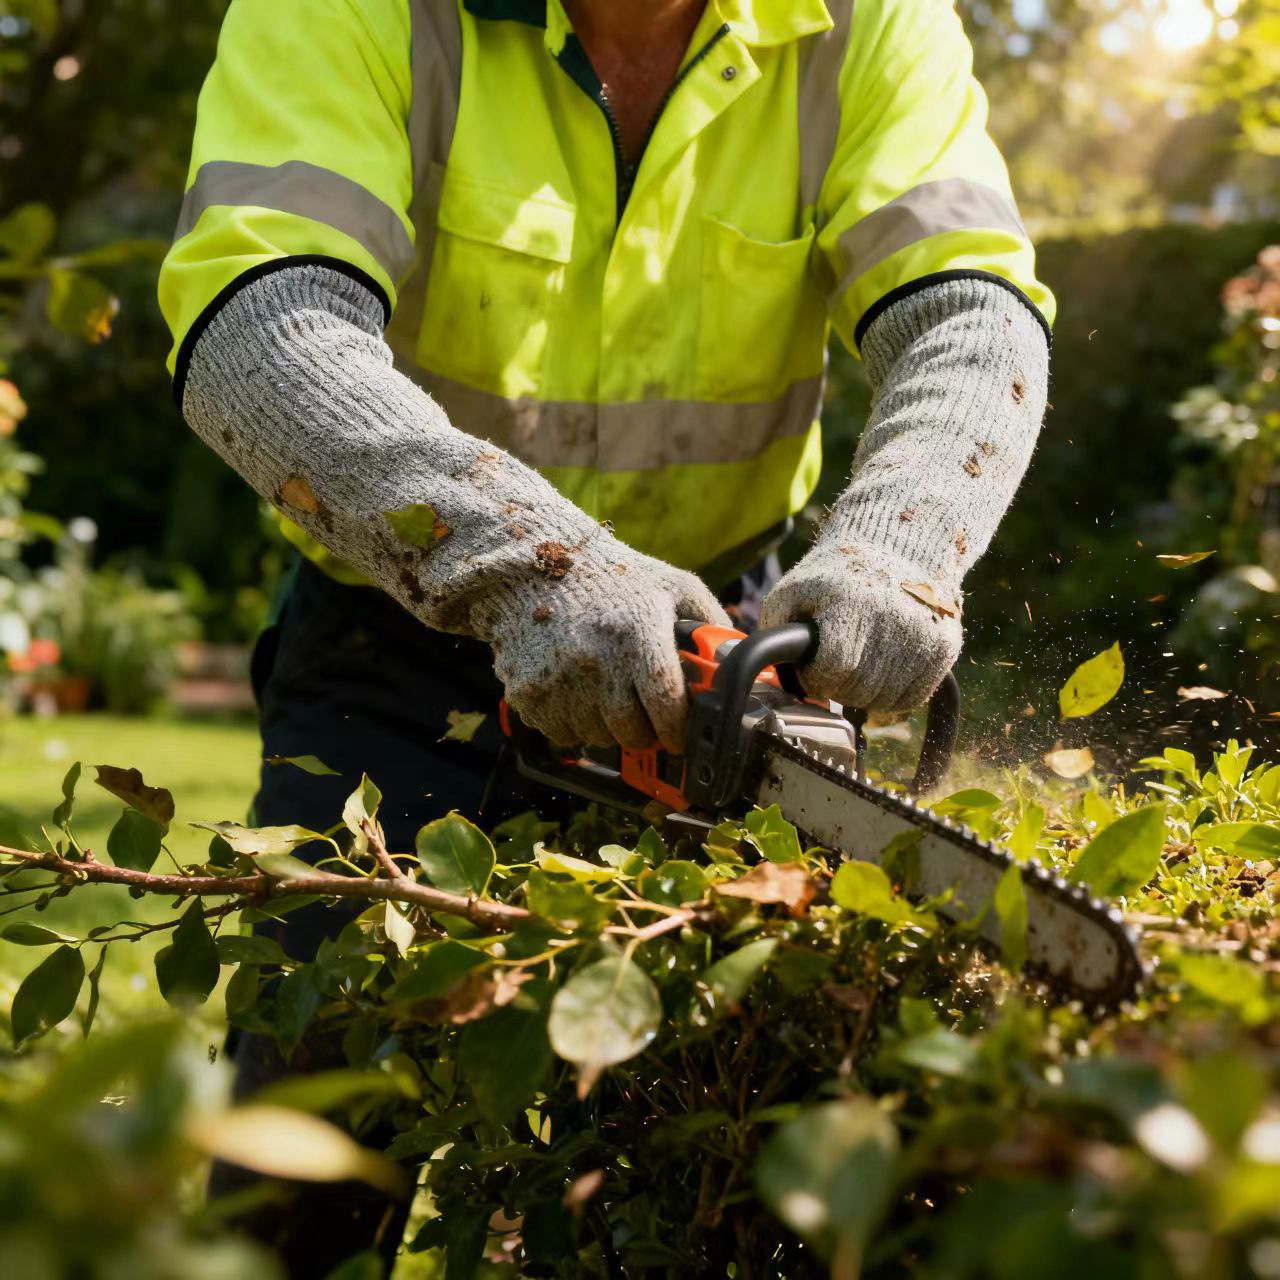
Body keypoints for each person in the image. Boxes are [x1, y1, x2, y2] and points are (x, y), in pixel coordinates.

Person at [159, 0, 1052, 1271]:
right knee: (310, 1158)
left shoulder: (863, 22)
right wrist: (527, 560)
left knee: (701, 1152)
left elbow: (969, 310)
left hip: (720, 645)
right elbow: (259, 319)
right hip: (396, 653)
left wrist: (900, 540)